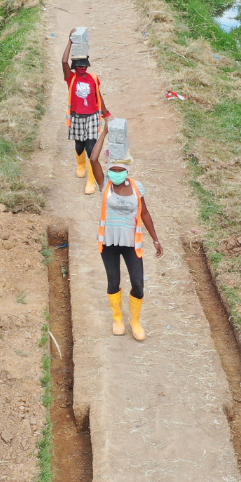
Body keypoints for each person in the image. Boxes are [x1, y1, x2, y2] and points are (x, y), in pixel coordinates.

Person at [88, 131, 163, 342]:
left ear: (127, 170)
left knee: (138, 283)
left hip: (131, 243)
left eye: (120, 170)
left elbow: (145, 213)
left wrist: (156, 239)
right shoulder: (105, 186)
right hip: (109, 242)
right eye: (113, 169)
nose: (116, 173)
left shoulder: (137, 188)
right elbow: (93, 159)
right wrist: (104, 132)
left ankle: (135, 321)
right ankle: (118, 318)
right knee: (114, 281)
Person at [62, 33, 109, 194]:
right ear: (75, 67)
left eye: (84, 66)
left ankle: (92, 179)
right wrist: (70, 41)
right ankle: (80, 165)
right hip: (77, 117)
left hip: (92, 117)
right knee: (79, 145)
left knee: (91, 148)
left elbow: (98, 96)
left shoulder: (93, 78)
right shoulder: (71, 78)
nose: (82, 68)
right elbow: (63, 61)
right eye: (79, 66)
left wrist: (106, 113)